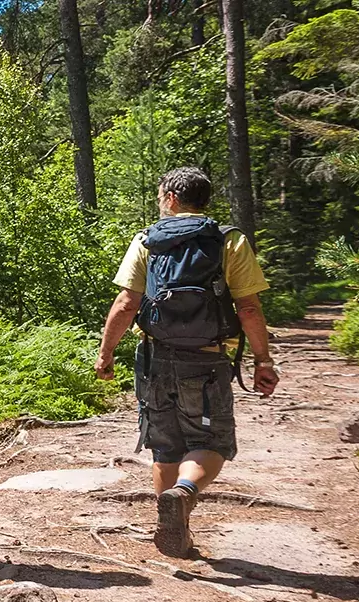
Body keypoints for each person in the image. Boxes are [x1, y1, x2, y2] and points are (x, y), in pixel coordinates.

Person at [95, 167, 280, 557]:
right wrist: (263, 360)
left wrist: (106, 353)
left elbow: (126, 304)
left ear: (171, 198)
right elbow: (248, 307)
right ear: (204, 199)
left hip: (155, 358)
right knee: (211, 441)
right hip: (208, 359)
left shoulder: (147, 240)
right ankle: (184, 491)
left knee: (165, 446)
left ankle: (174, 528)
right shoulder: (229, 241)